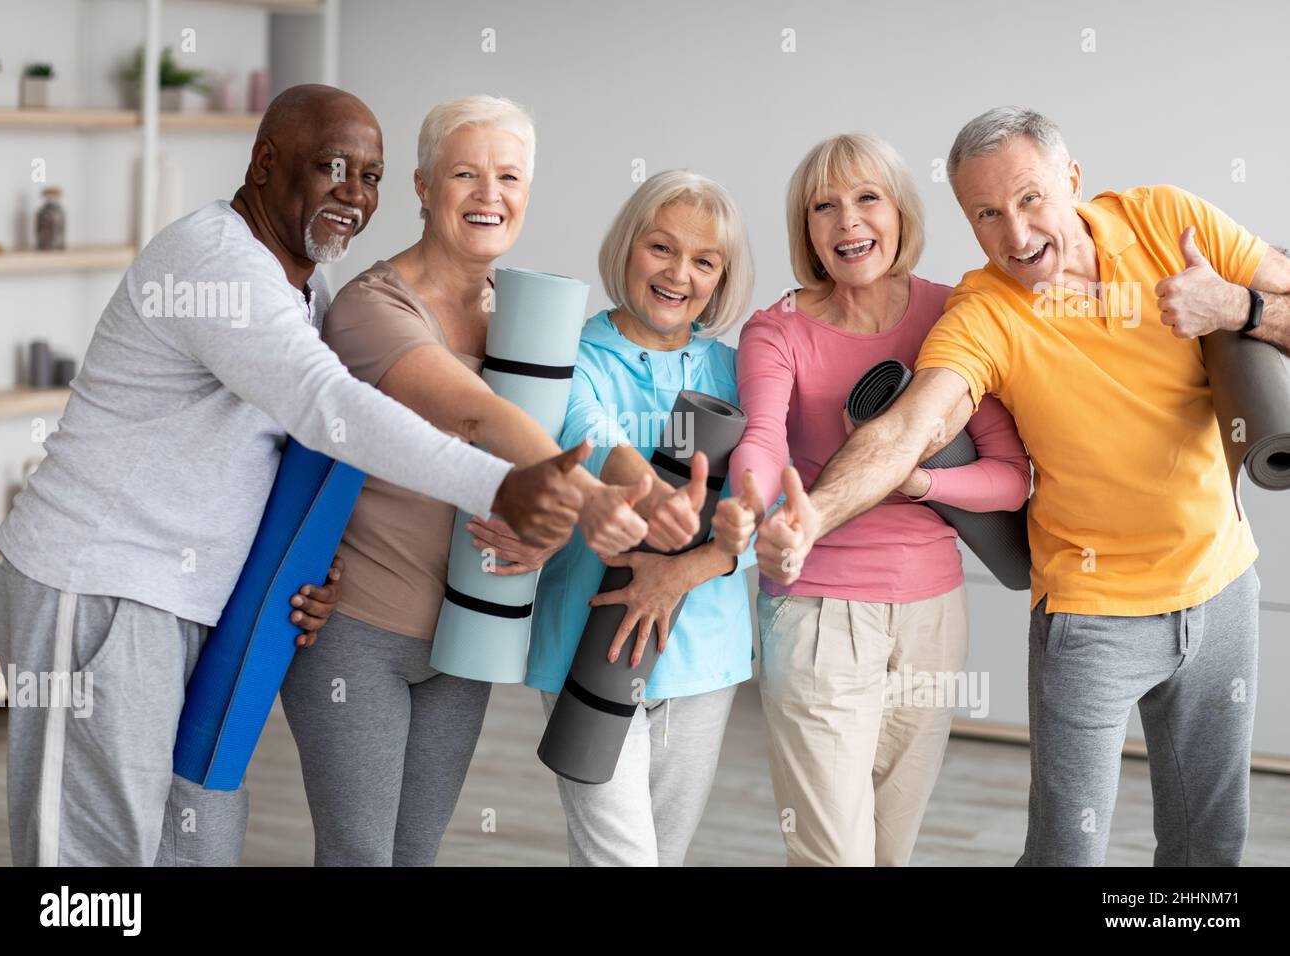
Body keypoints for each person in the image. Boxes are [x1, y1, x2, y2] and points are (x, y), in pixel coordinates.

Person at [0, 85, 602, 868]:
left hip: (197, 596)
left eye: (370, 177)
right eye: (331, 168)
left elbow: (283, 458)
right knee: (93, 857)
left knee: (193, 839)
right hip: (101, 580)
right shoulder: (216, 265)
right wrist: (500, 485)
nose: (354, 194)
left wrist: (315, 565)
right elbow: (329, 408)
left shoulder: (306, 286)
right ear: (264, 163)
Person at [743, 107, 1290, 866]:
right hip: (1091, 614)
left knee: (1210, 846)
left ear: (1072, 179)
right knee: (1066, 852)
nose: (1017, 234)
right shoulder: (984, 310)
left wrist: (1238, 307)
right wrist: (811, 517)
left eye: (1030, 198)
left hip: (1223, 585)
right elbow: (910, 426)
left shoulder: (1169, 220)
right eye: (988, 215)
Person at [280, 95, 677, 866]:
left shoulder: (524, 319)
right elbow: (473, 415)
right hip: (356, 627)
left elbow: (556, 442)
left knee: (416, 853)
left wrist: (554, 527)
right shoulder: (370, 306)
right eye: (465, 174)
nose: (489, 194)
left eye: (509, 177)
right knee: (359, 855)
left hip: (466, 635)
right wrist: (585, 501)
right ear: (424, 185)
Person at [712, 133, 1030, 866]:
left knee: (891, 849)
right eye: (824, 206)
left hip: (932, 615)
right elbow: (761, 437)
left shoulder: (955, 312)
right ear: (807, 229)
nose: (848, 221)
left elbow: (1009, 475)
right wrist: (760, 507)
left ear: (899, 211)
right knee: (833, 854)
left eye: (866, 198)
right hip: (818, 613)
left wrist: (916, 480)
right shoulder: (778, 329)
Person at [502, 170, 756, 866]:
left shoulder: (736, 373)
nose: (679, 274)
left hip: (701, 655)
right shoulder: (572, 354)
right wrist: (655, 499)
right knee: (622, 858)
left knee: (660, 856)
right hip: (588, 641)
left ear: (721, 277)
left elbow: (760, 508)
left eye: (704, 261)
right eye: (661, 248)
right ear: (627, 247)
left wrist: (694, 561)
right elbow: (592, 436)